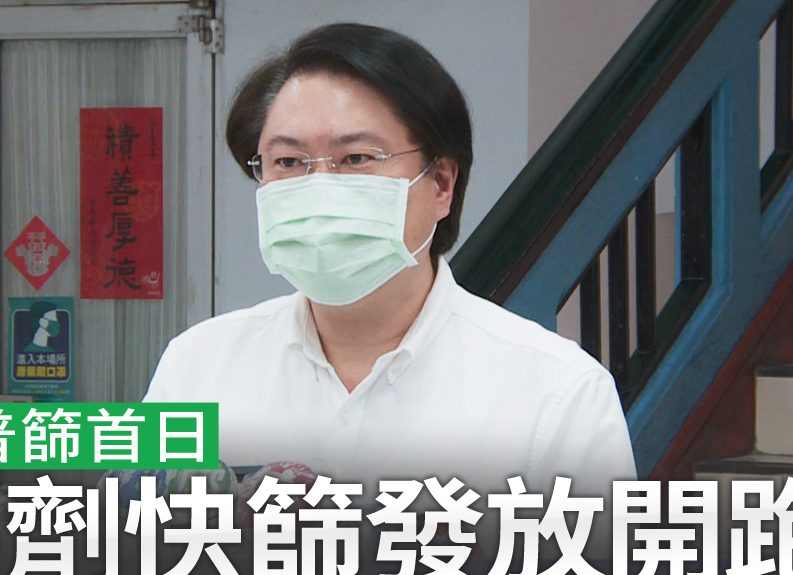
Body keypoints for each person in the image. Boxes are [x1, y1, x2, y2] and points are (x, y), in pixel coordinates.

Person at [144, 23, 635, 541]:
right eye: (287, 162)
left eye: (357, 158)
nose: (320, 187)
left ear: (441, 184)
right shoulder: (193, 367)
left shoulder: (558, 395)